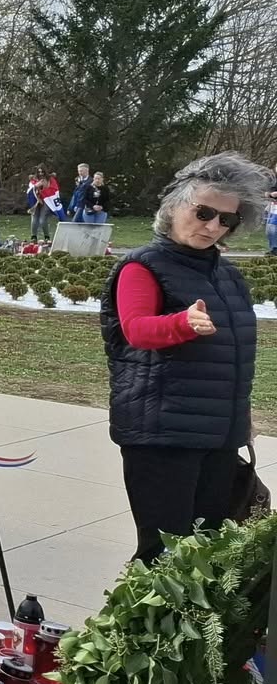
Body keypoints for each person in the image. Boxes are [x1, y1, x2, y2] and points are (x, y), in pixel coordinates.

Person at [100, 153, 266, 563]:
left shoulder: (227, 276)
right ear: (174, 207)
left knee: (208, 554)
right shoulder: (142, 266)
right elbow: (136, 329)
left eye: (227, 219)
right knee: (163, 556)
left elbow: (229, 359)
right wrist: (183, 323)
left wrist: (239, 419)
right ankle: (142, 610)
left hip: (218, 436)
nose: (213, 226)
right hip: (162, 434)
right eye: (203, 213)